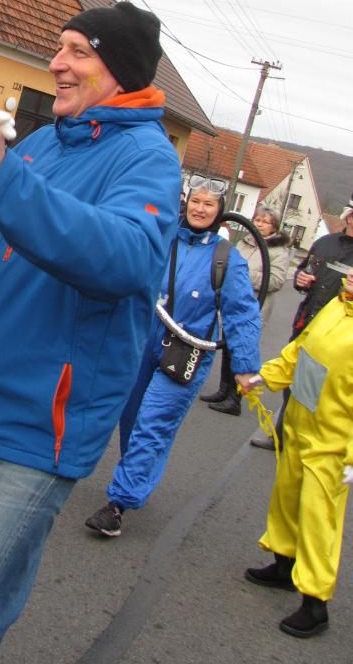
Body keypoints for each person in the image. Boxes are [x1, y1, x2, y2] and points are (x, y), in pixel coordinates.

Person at [0, 1, 182, 664]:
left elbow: (126, 259)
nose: (57, 63)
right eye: (59, 48)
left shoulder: (148, 159)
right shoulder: (42, 143)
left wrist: (0, 177)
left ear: (119, 69)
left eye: (78, 51)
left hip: (39, 432)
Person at [85, 177, 262, 538]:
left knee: (152, 423)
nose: (200, 209)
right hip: (141, 342)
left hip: (186, 350)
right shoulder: (162, 238)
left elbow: (242, 313)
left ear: (220, 210)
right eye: (196, 201)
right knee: (131, 419)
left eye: (209, 204)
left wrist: (245, 367)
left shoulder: (226, 259)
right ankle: (137, 475)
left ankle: (117, 504)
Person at [242, 270, 353, 638]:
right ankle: (284, 565)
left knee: (319, 519)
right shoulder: (336, 306)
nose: (351, 276)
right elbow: (299, 351)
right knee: (287, 500)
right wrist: (265, 376)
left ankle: (315, 603)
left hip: (333, 445)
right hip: (300, 426)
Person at [251, 193, 353, 451]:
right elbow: (304, 271)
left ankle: (318, 446)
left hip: (343, 338)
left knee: (330, 393)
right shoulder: (325, 243)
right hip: (308, 324)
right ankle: (281, 436)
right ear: (349, 216)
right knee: (294, 381)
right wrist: (300, 280)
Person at [202, 204, 290, 416]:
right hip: (231, 304)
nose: (260, 224)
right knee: (228, 348)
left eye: (265, 222)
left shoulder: (278, 252)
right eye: (257, 220)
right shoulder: (244, 243)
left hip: (254, 307)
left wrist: (242, 274)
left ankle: (235, 398)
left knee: (241, 349)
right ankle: (224, 389)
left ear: (274, 227)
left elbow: (276, 281)